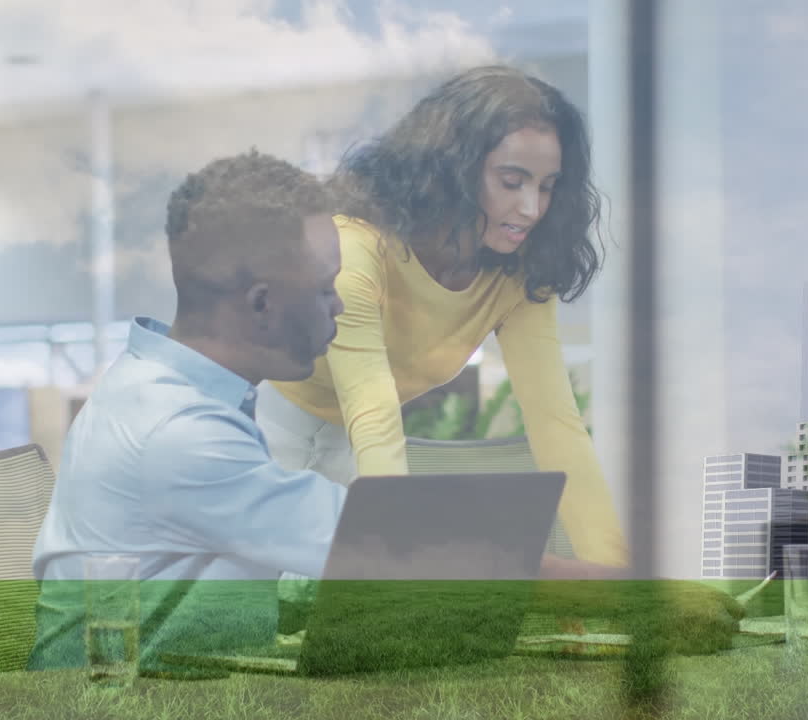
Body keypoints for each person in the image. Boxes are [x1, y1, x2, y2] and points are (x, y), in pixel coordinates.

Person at [259, 65, 627, 577]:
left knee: (344, 620)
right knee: (248, 616)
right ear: (454, 169)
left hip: (347, 446)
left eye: (547, 187)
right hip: (268, 425)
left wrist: (619, 578)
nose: (530, 208)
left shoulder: (518, 275)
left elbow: (556, 424)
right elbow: (373, 412)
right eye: (511, 182)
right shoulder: (358, 246)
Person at [27, 149, 347, 671]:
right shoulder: (178, 430)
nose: (340, 306)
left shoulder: (150, 389)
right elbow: (364, 544)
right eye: (325, 288)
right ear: (262, 304)